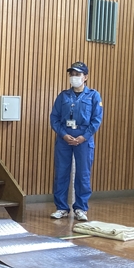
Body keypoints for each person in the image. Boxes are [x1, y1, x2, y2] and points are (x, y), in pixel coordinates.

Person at [49, 61, 103, 221]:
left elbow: (96, 119)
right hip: (64, 137)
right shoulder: (63, 96)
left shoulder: (93, 95)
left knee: (83, 174)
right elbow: (54, 118)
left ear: (85, 77)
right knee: (61, 173)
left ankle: (81, 208)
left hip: (84, 138)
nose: (74, 77)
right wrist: (63, 134)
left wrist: (84, 137)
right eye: (72, 74)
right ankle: (61, 208)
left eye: (77, 74)